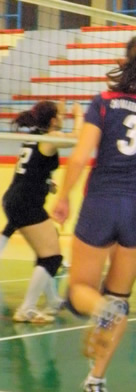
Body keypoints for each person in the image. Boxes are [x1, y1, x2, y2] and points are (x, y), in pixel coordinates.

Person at [52, 34, 136, 392]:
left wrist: (63, 197)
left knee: (81, 291)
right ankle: (96, 380)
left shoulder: (104, 101)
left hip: (101, 201)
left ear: (125, 61)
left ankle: (101, 309)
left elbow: (80, 157)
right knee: (120, 297)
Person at [3, 101, 83, 323]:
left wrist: (47, 183)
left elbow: (32, 169)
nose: (64, 117)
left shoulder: (34, 137)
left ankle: (52, 300)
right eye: (61, 114)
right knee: (52, 258)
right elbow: (76, 139)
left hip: (16, 199)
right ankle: (27, 308)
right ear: (53, 120)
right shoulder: (49, 137)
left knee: (46, 250)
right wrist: (78, 115)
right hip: (26, 202)